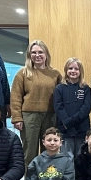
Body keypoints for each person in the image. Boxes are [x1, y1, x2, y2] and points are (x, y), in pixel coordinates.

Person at [11, 39, 63, 168]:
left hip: (50, 115)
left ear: (46, 54)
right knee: (29, 150)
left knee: (50, 149)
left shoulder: (55, 74)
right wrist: (17, 118)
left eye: (40, 52)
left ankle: (48, 178)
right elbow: (15, 96)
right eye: (33, 52)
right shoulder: (23, 73)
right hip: (29, 116)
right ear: (29, 55)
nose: (37, 55)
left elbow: (61, 96)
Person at [54, 57, 91, 158]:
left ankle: (79, 175)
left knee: (81, 157)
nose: (73, 71)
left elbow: (86, 108)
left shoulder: (86, 88)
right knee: (67, 157)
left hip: (81, 129)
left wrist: (71, 122)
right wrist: (67, 123)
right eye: (70, 68)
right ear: (66, 70)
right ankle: (69, 175)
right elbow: (58, 107)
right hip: (65, 130)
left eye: (76, 69)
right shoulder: (59, 88)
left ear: (81, 71)